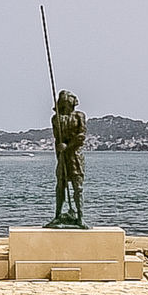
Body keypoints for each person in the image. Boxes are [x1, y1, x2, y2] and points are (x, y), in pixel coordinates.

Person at [52, 90, 86, 228]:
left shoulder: (79, 116)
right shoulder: (56, 118)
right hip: (62, 156)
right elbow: (57, 138)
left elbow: (81, 136)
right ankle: (58, 215)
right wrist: (60, 151)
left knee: (78, 187)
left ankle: (80, 217)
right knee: (60, 185)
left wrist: (68, 146)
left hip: (75, 155)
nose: (67, 103)